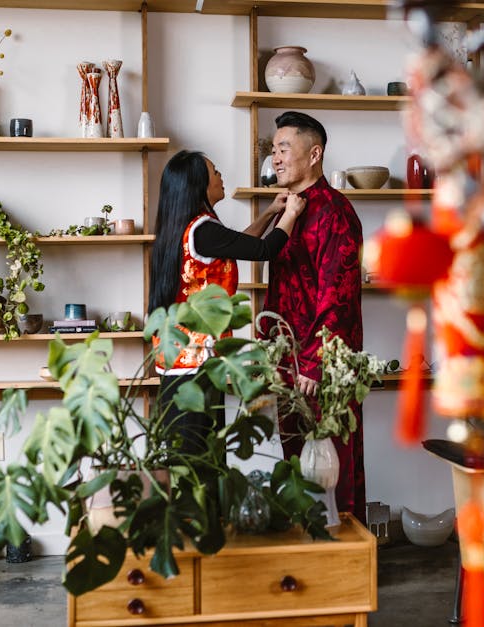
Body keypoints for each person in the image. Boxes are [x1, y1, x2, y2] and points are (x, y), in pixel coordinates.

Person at [148, 149, 304, 456]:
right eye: (214, 171)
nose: (220, 176)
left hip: (179, 365)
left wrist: (271, 212)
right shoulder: (202, 230)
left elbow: (241, 244)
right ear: (199, 184)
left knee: (191, 462)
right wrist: (292, 214)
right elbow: (262, 251)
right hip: (196, 368)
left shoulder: (191, 228)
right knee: (201, 463)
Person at [260, 111, 366, 522]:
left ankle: (347, 563)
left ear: (315, 153)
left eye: (284, 148)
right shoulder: (290, 210)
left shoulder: (335, 212)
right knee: (296, 464)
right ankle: (306, 559)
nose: (277, 159)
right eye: (274, 150)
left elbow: (337, 294)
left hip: (323, 367)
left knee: (334, 464)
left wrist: (315, 363)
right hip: (288, 363)